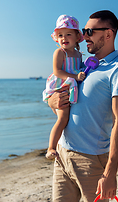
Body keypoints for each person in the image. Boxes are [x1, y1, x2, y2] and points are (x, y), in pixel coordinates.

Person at [47, 10, 118, 202]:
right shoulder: (84, 65)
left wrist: (110, 173)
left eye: (90, 31)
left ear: (108, 34)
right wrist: (52, 102)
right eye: (84, 31)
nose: (84, 36)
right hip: (62, 154)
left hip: (90, 160)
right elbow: (65, 100)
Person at [42, 15, 86, 160]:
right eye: (60, 35)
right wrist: (75, 77)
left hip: (71, 87)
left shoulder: (79, 55)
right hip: (60, 86)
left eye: (68, 34)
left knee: (69, 117)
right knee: (62, 118)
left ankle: (67, 144)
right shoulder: (60, 52)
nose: (64, 38)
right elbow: (57, 72)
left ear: (76, 36)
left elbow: (80, 71)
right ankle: (51, 148)